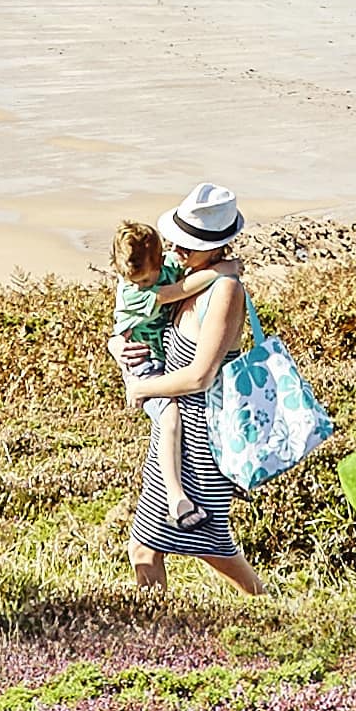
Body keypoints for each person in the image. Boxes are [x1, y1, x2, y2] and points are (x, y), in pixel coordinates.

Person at [123, 184, 277, 597]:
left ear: (217, 246)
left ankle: (264, 604)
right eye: (176, 240)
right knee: (146, 545)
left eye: (188, 246)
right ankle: (154, 626)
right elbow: (142, 319)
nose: (176, 250)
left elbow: (200, 376)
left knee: (211, 546)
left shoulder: (225, 291)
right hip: (175, 437)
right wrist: (118, 343)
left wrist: (143, 388)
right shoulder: (190, 279)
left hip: (205, 438)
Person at [104, 221, 214, 536]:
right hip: (142, 360)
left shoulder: (164, 265)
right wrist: (223, 271)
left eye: (148, 278)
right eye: (134, 280)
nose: (143, 285)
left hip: (163, 352)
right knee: (170, 418)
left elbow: (183, 271)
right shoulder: (133, 294)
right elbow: (177, 291)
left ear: (159, 260)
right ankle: (176, 498)